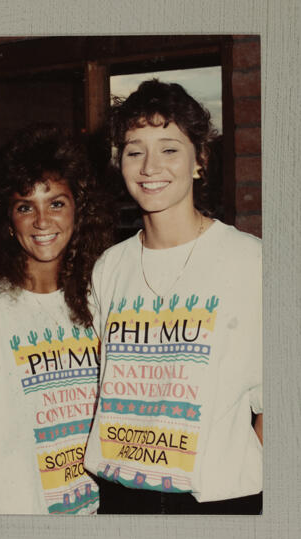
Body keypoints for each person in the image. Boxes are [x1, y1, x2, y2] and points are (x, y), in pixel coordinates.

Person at [84, 80, 263, 514]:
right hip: (122, 496)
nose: (149, 167)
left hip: (217, 501)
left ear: (199, 160)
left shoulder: (249, 259)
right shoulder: (110, 266)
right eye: (134, 150)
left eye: (168, 149)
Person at [0, 125, 112, 514]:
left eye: (56, 203)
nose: (41, 221)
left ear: (78, 210)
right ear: (6, 219)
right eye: (24, 206)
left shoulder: (99, 298)